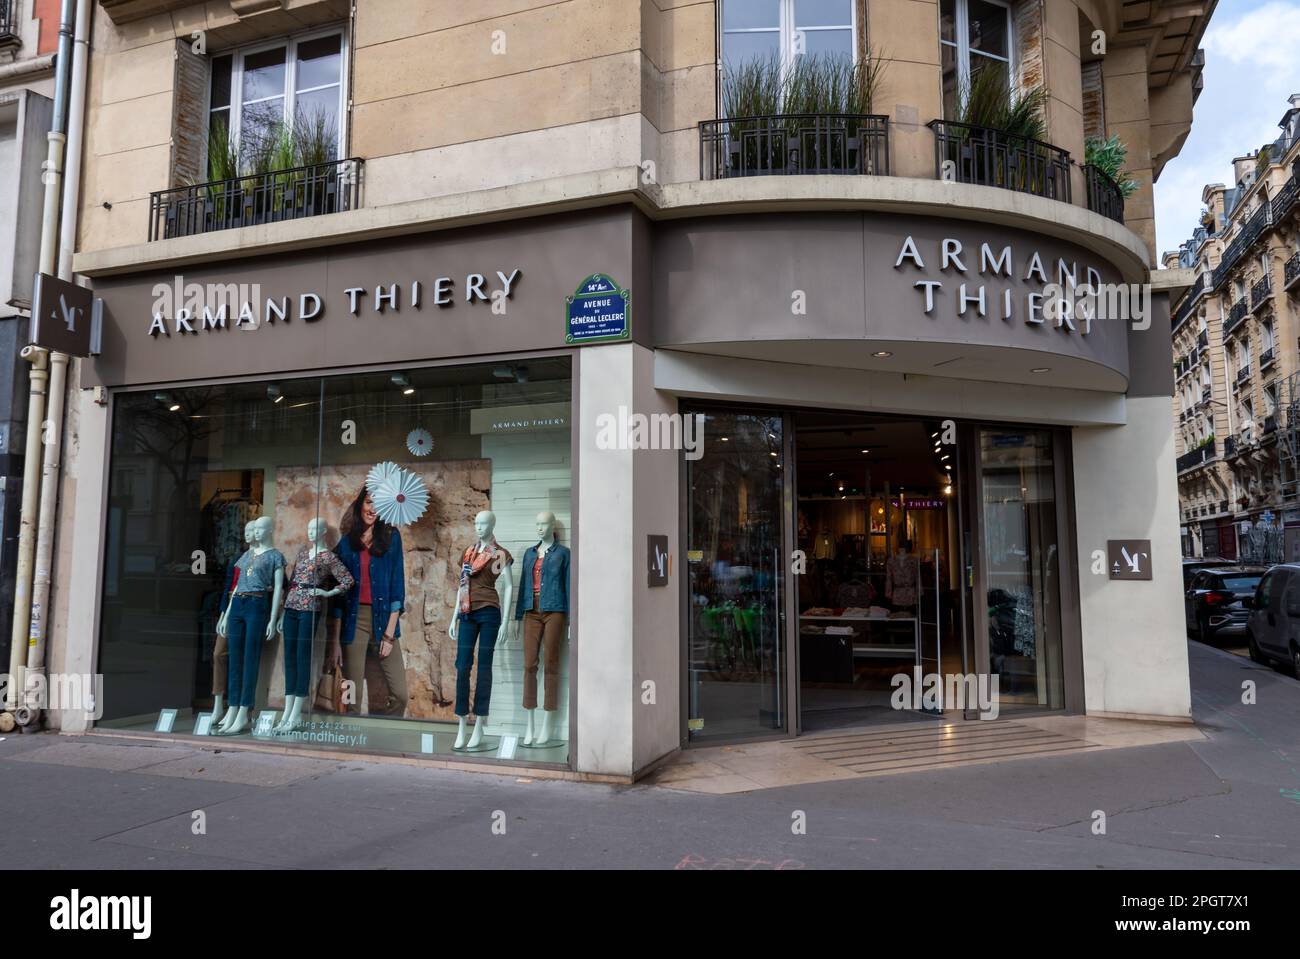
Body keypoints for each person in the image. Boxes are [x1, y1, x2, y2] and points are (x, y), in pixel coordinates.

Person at [329, 486, 407, 716]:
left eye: (378, 505)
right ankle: (351, 741)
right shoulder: (346, 544)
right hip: (354, 623)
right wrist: (334, 642)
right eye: (369, 502)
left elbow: (397, 588)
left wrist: (389, 635)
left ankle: (385, 736)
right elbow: (338, 600)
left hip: (385, 620)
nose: (373, 509)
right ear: (360, 504)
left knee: (400, 695)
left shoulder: (392, 538)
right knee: (352, 695)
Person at [885, 538, 918, 611]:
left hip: (910, 594)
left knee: (911, 617)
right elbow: (889, 578)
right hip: (897, 594)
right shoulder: (891, 561)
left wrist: (918, 592)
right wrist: (888, 593)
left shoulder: (913, 560)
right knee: (898, 617)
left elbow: (918, 577)